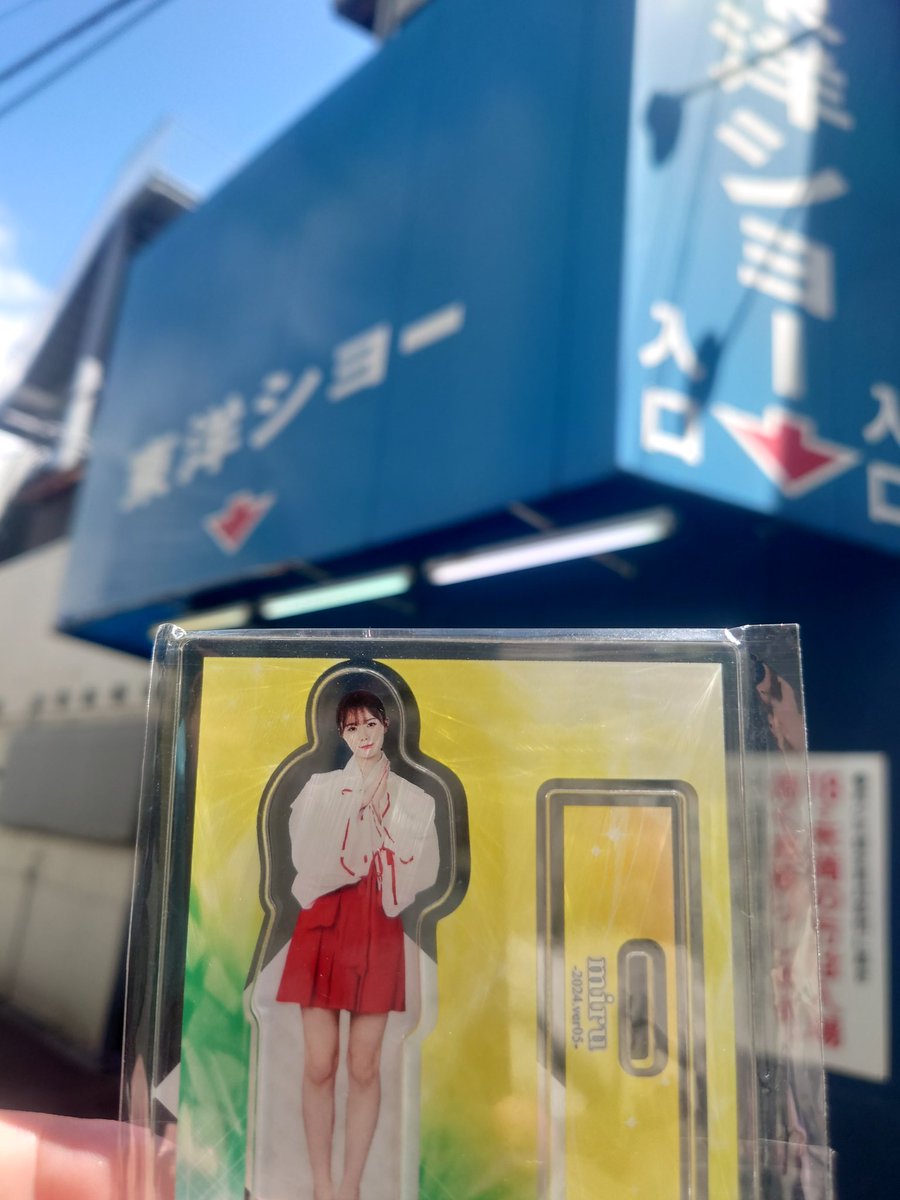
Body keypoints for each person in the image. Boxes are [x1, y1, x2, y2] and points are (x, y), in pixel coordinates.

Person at [275, 689, 438, 1200]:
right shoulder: (320, 788)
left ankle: (350, 1186)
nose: (363, 735)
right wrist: (355, 831)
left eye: (370, 724)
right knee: (319, 1061)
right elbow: (305, 857)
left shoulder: (415, 799)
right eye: (351, 728)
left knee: (364, 1065)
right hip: (324, 919)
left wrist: (385, 844)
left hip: (377, 922)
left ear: (386, 725)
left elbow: (424, 872)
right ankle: (322, 1183)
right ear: (341, 735)